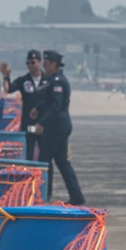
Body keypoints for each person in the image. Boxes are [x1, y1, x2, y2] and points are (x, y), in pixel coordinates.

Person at [35, 49, 85, 205]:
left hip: (56, 126)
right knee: (62, 162)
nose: (44, 65)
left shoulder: (58, 81)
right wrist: (38, 108)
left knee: (44, 161)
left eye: (47, 63)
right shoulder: (54, 80)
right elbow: (50, 101)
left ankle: (43, 195)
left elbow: (56, 106)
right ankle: (76, 196)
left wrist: (41, 122)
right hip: (59, 126)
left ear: (54, 64)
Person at [0, 49, 47, 161]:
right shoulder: (24, 80)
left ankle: (46, 177)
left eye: (33, 62)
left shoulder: (48, 80)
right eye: (28, 63)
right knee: (29, 150)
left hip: (44, 122)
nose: (30, 65)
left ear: (39, 62)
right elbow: (9, 89)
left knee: (45, 152)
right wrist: (6, 76)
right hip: (29, 123)